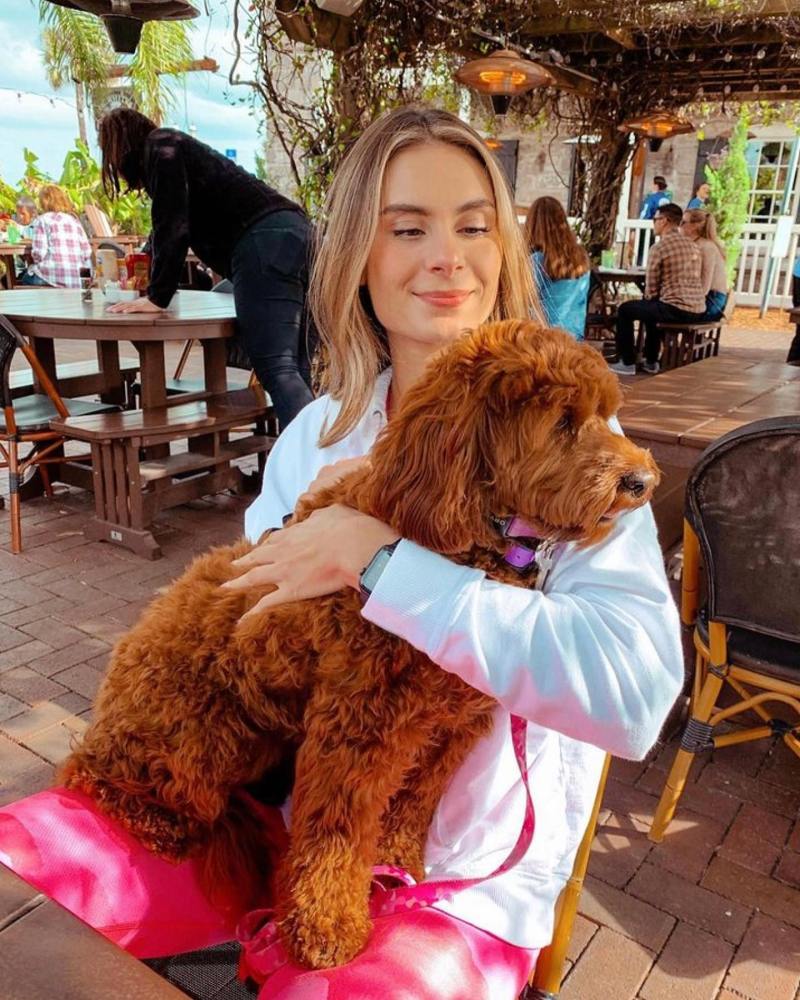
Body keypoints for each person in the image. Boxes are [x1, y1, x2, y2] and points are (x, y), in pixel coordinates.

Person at [0, 106, 683, 999]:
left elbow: (635, 701)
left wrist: (383, 563)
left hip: (465, 878)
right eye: (408, 228)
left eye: (476, 225)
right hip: (278, 811)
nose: (448, 256)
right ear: (357, 254)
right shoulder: (319, 435)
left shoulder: (582, 452)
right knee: (28, 867)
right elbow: (248, 635)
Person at [96, 108, 314, 430]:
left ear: (121, 144)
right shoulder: (175, 148)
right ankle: (310, 467)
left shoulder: (161, 147)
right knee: (296, 366)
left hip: (262, 241)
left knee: (277, 369)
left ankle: (309, 471)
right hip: (298, 233)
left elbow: (173, 224)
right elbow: (165, 229)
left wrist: (157, 297)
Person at [611, 202, 706, 375]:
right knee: (652, 308)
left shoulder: (659, 247)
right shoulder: (693, 245)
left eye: (655, 219)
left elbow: (651, 288)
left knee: (626, 309)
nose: (653, 223)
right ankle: (651, 360)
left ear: (665, 221)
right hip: (698, 308)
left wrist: (650, 296)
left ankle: (628, 362)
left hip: (676, 308)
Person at [525, 195, 590, 339]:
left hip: (544, 339)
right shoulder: (581, 258)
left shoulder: (536, 261)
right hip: (575, 337)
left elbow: (528, 303)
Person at [19, 184, 91, 288]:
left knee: (25, 278)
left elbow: (39, 253)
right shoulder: (74, 221)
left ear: (43, 202)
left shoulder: (43, 220)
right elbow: (86, 252)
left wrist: (31, 259)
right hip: (77, 279)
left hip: (52, 277)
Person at [680, 208, 728, 321]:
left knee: (663, 312)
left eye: (683, 222)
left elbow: (704, 288)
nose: (679, 225)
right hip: (704, 299)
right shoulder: (696, 244)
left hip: (711, 301)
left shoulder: (706, 247)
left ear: (695, 226)